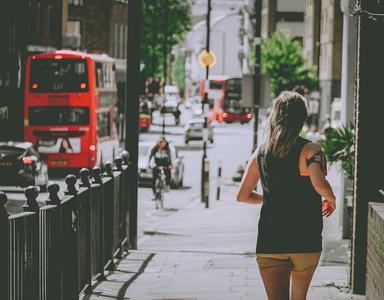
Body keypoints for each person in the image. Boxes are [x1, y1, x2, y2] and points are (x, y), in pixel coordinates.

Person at [237, 91, 336, 300]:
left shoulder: (260, 153)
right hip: (305, 240)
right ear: (302, 118)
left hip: (270, 241)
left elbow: (243, 195)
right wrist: (331, 198)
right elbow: (319, 184)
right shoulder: (310, 150)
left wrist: (273, 197)